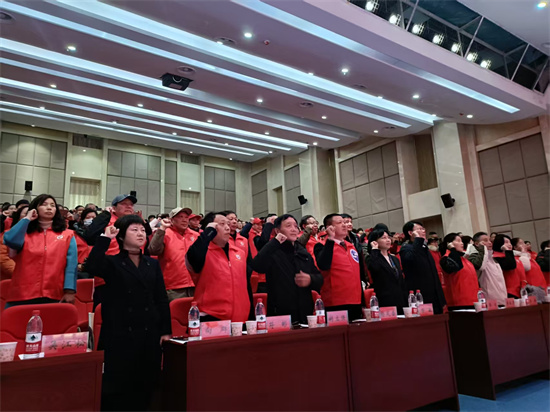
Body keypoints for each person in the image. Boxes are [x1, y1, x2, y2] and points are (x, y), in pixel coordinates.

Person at [85, 215, 171, 412]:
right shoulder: (112, 262)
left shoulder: (152, 264)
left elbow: (160, 298)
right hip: (120, 333)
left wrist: (165, 330)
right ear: (121, 236)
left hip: (149, 332)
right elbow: (92, 266)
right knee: (118, 389)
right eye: (134, 230)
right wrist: (105, 239)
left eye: (142, 230)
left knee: (146, 385)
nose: (140, 234)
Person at [3, 194, 77, 307]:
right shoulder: (24, 233)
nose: (49, 208)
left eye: (52, 205)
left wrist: (70, 291)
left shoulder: (67, 235)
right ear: (34, 209)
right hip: (22, 293)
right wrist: (27, 219)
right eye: (44, 204)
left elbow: (71, 265)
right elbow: (9, 240)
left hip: (54, 293)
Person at [252, 214, 323, 324]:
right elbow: (257, 265)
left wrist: (310, 279)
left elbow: (319, 278)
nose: (293, 229)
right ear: (277, 231)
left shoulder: (302, 252)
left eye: (295, 226)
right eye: (288, 226)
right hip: (280, 314)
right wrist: (276, 241)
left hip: (305, 313)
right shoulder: (272, 251)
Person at [186, 212, 251, 322]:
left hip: (241, 318)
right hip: (211, 316)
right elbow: (193, 256)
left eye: (228, 224)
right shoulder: (202, 253)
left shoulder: (239, 252)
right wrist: (208, 233)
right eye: (222, 224)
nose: (227, 228)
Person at [81, 193, 141, 308]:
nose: (129, 206)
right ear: (114, 207)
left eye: (131, 204)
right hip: (106, 277)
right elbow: (89, 236)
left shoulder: (136, 224)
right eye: (124, 204)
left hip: (132, 276)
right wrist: (105, 215)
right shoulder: (106, 220)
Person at [314, 214, 363, 320]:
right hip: (336, 303)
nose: (344, 225)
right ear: (329, 227)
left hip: (356, 301)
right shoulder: (321, 246)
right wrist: (330, 239)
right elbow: (323, 265)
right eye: (340, 223)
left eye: (345, 222)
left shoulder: (351, 246)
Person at [148, 207, 196, 301]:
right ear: (172, 219)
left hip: (194, 285)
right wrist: (162, 229)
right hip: (173, 287)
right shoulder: (164, 233)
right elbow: (153, 250)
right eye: (180, 217)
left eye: (186, 217)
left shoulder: (195, 235)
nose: (184, 220)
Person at [399, 221, 446, 314]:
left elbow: (433, 273)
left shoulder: (425, 248)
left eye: (423, 229)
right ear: (410, 233)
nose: (423, 231)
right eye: (419, 229)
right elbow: (411, 258)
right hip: (419, 294)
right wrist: (418, 239)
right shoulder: (406, 248)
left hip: (434, 294)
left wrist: (441, 299)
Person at [366, 229, 407, 314]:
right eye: (383, 238)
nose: (388, 240)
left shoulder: (394, 259)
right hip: (384, 300)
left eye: (388, 237)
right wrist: (374, 249)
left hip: (400, 300)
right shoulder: (371, 258)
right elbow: (375, 268)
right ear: (374, 241)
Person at [466, 232, 507, 305]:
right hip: (488, 302)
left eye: (490, 240)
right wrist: (482, 248)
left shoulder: (494, 259)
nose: (489, 242)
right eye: (485, 240)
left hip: (502, 299)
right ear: (477, 243)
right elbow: (480, 267)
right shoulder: (474, 257)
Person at [439, 233, 479, 308]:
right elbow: (456, 267)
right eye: (458, 241)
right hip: (459, 302)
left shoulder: (464, 259)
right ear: (449, 244)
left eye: (461, 241)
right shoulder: (446, 259)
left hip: (474, 300)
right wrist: (452, 249)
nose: (462, 243)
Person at [74, 207, 97, 278]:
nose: (91, 219)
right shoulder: (74, 234)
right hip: (78, 269)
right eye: (88, 217)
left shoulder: (104, 234)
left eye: (94, 218)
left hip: (97, 270)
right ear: (82, 220)